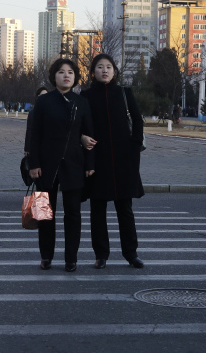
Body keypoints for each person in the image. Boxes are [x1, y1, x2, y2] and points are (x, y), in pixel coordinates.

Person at [28, 59, 94, 272]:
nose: (66, 75)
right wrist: (33, 164)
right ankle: (46, 256)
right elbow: (33, 134)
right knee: (44, 213)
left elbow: (90, 136)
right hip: (45, 165)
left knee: (73, 214)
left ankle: (71, 259)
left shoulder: (81, 102)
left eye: (70, 72)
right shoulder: (44, 102)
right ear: (53, 76)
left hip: (74, 164)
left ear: (75, 77)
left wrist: (90, 163)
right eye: (61, 72)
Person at [80, 53, 145, 270]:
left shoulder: (124, 93)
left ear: (114, 71)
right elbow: (79, 125)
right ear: (93, 72)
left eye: (108, 67)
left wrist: (134, 145)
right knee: (97, 209)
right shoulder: (86, 96)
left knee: (125, 209)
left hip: (124, 160)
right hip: (98, 160)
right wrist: (83, 139)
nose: (105, 70)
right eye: (100, 67)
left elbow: (137, 119)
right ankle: (101, 255)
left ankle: (131, 253)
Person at [24, 86, 49, 157]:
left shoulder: (51, 112)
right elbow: (29, 130)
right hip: (36, 146)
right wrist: (27, 148)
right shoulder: (33, 113)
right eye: (42, 95)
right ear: (37, 97)